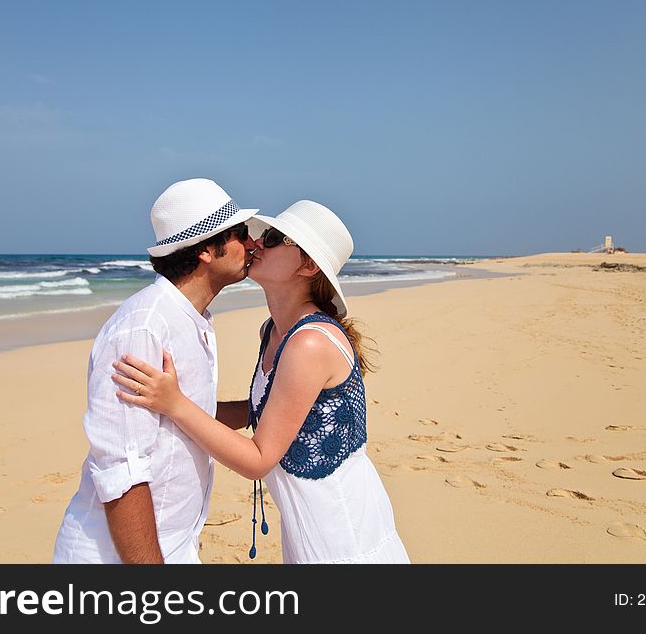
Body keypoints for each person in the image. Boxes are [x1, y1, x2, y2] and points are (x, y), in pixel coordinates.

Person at [113, 200, 410, 564]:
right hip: (306, 526)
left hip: (343, 532)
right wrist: (159, 410)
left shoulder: (309, 344)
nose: (257, 242)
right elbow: (259, 412)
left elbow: (258, 460)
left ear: (308, 264)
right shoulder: (272, 331)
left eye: (273, 237)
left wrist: (175, 404)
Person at [52, 178, 258, 563]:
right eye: (241, 233)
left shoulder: (190, 317)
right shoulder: (143, 328)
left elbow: (193, 414)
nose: (251, 244)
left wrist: (256, 410)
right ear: (207, 251)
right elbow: (121, 469)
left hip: (175, 543)